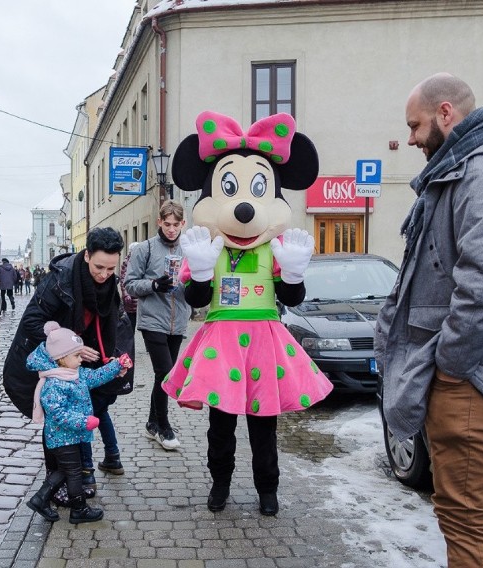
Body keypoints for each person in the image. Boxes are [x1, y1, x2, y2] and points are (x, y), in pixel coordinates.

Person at [375, 73, 483, 568]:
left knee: (464, 516)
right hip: (466, 376)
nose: (410, 137)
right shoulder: (467, 172)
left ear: (446, 113)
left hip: (471, 378)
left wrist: (451, 366)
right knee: (475, 509)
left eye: (415, 125)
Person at [163, 110, 332, 516]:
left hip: (264, 346)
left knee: (264, 427)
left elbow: (291, 299)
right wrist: (201, 272)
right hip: (220, 347)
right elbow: (196, 300)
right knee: (220, 428)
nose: (242, 209)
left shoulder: (272, 249)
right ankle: (219, 484)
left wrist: (292, 273)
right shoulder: (210, 248)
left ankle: (267, 490)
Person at [3, 227, 126, 502]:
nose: (105, 275)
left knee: (82, 416)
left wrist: (115, 357)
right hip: (52, 365)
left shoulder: (108, 282)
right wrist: (73, 345)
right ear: (86, 256)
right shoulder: (58, 281)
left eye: (110, 268)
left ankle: (80, 477)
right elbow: (33, 323)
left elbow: (111, 322)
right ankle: (56, 483)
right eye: (99, 267)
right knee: (56, 425)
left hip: (83, 362)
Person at [25, 321, 132, 524]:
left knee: (65, 471)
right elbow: (57, 414)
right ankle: (79, 509)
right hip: (61, 436)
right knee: (74, 473)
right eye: (76, 356)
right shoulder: (54, 383)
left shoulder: (75, 374)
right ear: (61, 359)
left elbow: (96, 376)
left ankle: (40, 499)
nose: (81, 359)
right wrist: (84, 421)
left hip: (70, 435)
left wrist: (116, 365)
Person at [124, 201, 192, 451]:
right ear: (159, 223)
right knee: (165, 372)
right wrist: (153, 285)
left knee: (164, 374)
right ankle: (164, 426)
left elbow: (195, 280)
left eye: (176, 224)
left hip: (179, 320)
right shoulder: (145, 249)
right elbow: (129, 284)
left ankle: (151, 423)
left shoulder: (188, 249)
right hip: (152, 319)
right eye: (167, 224)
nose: (172, 229)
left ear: (183, 224)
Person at [119, 242, 140, 330]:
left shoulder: (141, 260)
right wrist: (126, 293)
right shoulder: (126, 262)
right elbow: (123, 279)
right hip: (130, 297)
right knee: (131, 321)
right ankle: (130, 340)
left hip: (139, 296)